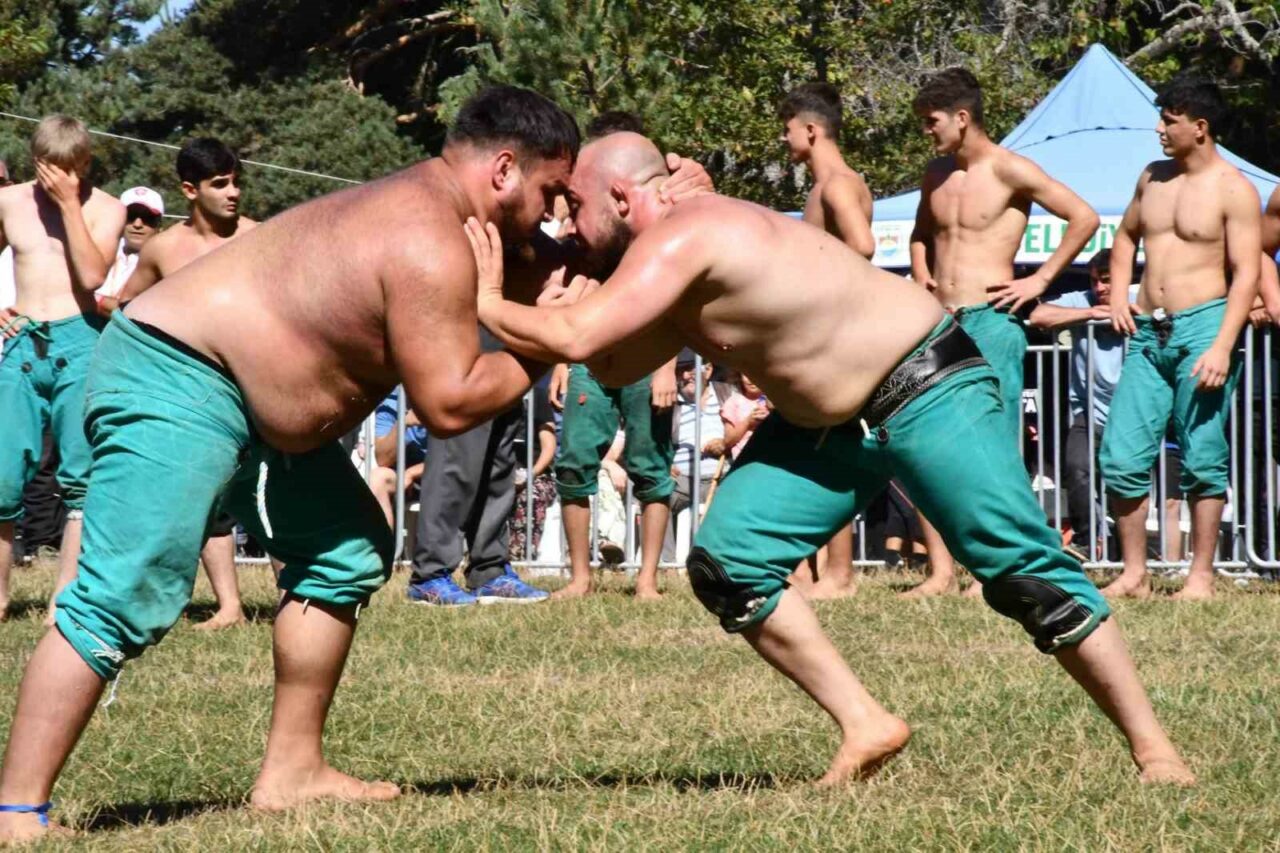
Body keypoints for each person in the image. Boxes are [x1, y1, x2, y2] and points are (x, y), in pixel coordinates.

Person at [465, 129, 1193, 788]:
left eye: (574, 208)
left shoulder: (687, 231)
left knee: (1029, 576)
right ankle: (867, 724)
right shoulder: (671, 258)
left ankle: (1157, 751)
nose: (566, 226)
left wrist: (491, 299)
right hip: (829, 428)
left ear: (623, 198)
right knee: (731, 565)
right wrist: (555, 303)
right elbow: (614, 362)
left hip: (926, 385)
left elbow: (578, 338)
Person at [0, 85, 581, 843]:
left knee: (343, 548)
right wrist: (553, 338)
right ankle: (15, 811)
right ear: (504, 169)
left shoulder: (448, 217)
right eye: (550, 192)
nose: (554, 213)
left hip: (251, 400)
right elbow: (449, 403)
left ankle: (293, 771)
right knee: (123, 589)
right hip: (178, 371)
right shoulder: (428, 234)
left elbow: (549, 263)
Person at [904, 68, 1101, 598]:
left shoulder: (1010, 168)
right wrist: (920, 271)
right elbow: (921, 234)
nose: (927, 131)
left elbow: (1083, 217)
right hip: (939, 323)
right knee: (933, 443)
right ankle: (945, 570)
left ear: (961, 118)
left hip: (990, 320)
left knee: (995, 447)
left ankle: (1011, 565)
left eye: (932, 121)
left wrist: (1039, 280)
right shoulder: (935, 173)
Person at [1099, 77, 1261, 601]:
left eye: (1169, 120)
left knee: (1202, 456)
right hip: (1148, 331)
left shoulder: (1234, 188)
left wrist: (1223, 345)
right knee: (1121, 456)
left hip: (1204, 327)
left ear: (1200, 127)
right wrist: (1118, 296)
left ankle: (1201, 577)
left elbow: (1247, 272)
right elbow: (1124, 236)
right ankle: (1134, 574)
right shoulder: (1152, 177)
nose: (1159, 129)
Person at [111, 138, 261, 631]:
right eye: (220, 184)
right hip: (192, 393)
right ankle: (229, 607)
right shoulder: (164, 249)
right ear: (190, 190)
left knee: (274, 493)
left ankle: (295, 600)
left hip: (258, 384)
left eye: (236, 182)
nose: (233, 193)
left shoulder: (260, 238)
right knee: (206, 499)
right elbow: (124, 306)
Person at [0, 116, 125, 627]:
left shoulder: (107, 208)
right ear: (35, 163)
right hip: (22, 344)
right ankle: (0, 596)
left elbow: (92, 276)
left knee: (81, 476)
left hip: (81, 341)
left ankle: (64, 597)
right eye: (51, 169)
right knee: (3, 476)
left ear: (86, 164)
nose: (59, 180)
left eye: (71, 170)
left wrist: (72, 205)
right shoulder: (10, 202)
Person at [549, 111, 679, 601]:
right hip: (591, 358)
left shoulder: (657, 215)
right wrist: (562, 361)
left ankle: (647, 580)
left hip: (648, 357)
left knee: (651, 467)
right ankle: (580, 579)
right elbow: (571, 290)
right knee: (574, 463)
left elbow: (674, 299)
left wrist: (666, 367)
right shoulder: (586, 213)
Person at [779, 81, 871, 596]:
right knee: (817, 448)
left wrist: (818, 295)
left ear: (811, 130)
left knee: (831, 449)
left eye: (788, 129)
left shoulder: (835, 185)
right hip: (828, 332)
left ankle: (839, 574)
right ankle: (807, 569)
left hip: (835, 333)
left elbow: (863, 246)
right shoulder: (832, 184)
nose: (784, 138)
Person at [405, 325, 549, 607]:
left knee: (498, 468)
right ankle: (430, 575)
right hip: (465, 343)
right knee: (455, 464)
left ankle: (490, 572)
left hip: (508, 344)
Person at [663, 352, 729, 560]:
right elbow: (655, 441)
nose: (685, 375)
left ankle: (723, 564)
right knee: (656, 497)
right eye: (681, 370)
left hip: (723, 477)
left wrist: (725, 443)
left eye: (691, 368)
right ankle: (667, 563)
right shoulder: (670, 401)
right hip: (682, 479)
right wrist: (665, 464)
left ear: (708, 370)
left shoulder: (727, 394)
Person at [507, 383, 558, 563]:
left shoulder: (536, 397)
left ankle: (520, 558)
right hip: (499, 473)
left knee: (531, 495)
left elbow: (549, 446)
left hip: (536, 474)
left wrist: (530, 475)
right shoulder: (491, 394)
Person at [96, 186, 163, 314]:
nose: (137, 224)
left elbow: (136, 313)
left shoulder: (162, 264)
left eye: (147, 218)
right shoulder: (99, 249)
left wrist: (95, 301)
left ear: (159, 225)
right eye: (130, 216)